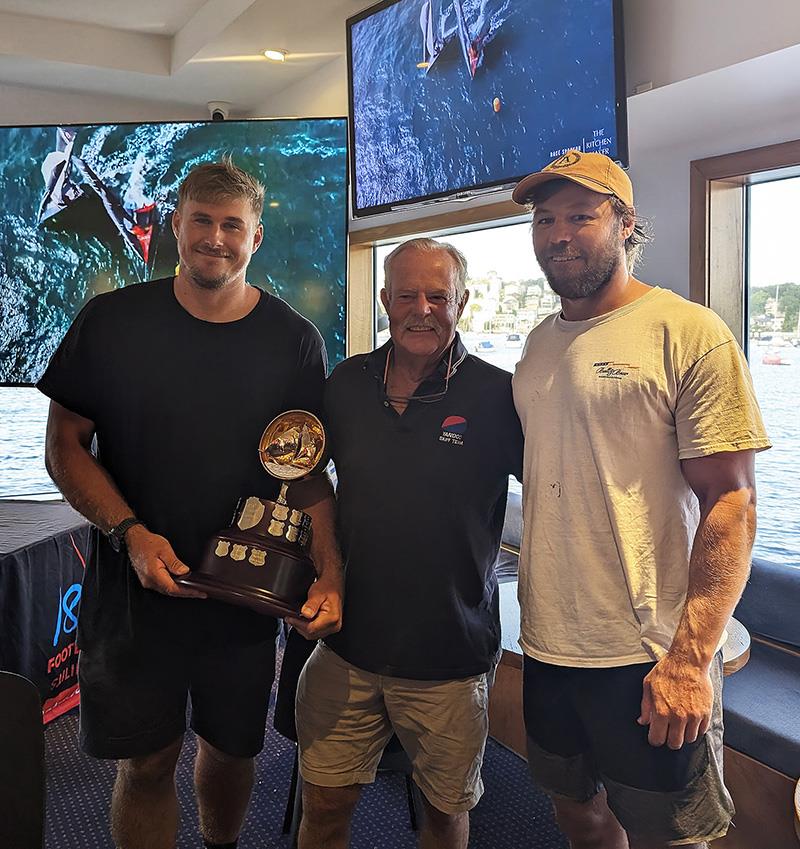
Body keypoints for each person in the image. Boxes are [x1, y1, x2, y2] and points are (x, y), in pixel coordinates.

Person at [37, 159, 343, 849]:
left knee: (235, 750)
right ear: (174, 224)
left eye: (232, 224)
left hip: (246, 589)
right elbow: (65, 447)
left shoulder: (294, 340)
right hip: (134, 591)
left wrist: (328, 570)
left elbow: (306, 469)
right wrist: (131, 532)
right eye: (200, 220)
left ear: (256, 237)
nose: (215, 237)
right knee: (146, 762)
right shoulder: (111, 322)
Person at [510, 151, 771, 849]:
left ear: (625, 223)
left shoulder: (687, 331)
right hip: (550, 644)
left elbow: (733, 502)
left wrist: (689, 658)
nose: (558, 234)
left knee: (670, 837)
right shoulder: (537, 346)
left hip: (649, 653)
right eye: (544, 218)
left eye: (580, 215)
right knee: (579, 815)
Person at [295, 238, 523, 849]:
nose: (422, 309)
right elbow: (311, 475)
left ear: (463, 302)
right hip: (348, 645)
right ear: (384, 300)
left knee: (445, 816)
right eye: (406, 295)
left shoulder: (500, 396)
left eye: (438, 296)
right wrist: (326, 571)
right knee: (322, 805)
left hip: (451, 653)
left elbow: (562, 492)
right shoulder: (345, 383)